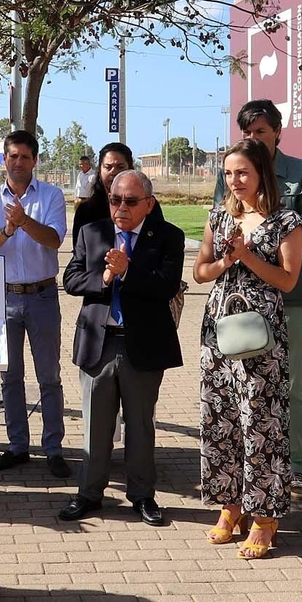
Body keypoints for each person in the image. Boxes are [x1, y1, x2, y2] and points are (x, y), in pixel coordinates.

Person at [193, 139, 302, 559]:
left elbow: (288, 280)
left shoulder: (285, 221)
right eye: (228, 173)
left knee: (261, 421)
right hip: (218, 331)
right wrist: (225, 261)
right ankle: (230, 505)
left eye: (242, 172)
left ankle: (265, 516)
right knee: (220, 419)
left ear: (261, 174)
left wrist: (246, 256)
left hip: (261, 335)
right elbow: (200, 271)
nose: (234, 180)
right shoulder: (219, 216)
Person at [59, 169, 185, 524]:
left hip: (142, 344)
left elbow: (166, 285)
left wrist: (129, 271)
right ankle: (89, 494)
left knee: (140, 426)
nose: (121, 208)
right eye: (115, 200)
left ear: (149, 204)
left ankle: (142, 495)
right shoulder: (92, 232)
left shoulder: (168, 236)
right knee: (95, 425)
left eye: (130, 201)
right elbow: (70, 279)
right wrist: (104, 277)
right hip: (98, 344)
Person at [213, 100, 302, 500]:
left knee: (289, 385)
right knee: (238, 386)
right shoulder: (230, 173)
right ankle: (249, 466)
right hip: (240, 299)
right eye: (248, 133)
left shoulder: (301, 171)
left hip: (287, 294)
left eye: (261, 131)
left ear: (278, 131)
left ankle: (295, 466)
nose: (254, 138)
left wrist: (270, 220)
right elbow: (221, 219)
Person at [0, 130, 70, 477]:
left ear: (35, 160)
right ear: (4, 159)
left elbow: (54, 239)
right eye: (12, 156)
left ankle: (54, 448)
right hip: (3, 296)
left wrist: (24, 221)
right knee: (10, 377)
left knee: (49, 377)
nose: (18, 162)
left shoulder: (51, 195)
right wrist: (7, 230)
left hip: (43, 295)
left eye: (24, 157)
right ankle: (18, 446)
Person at [71, 142, 135, 243]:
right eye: (108, 167)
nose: (113, 172)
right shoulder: (85, 211)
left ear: (130, 169)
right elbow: (79, 250)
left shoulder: (146, 207)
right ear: (100, 171)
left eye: (120, 167)